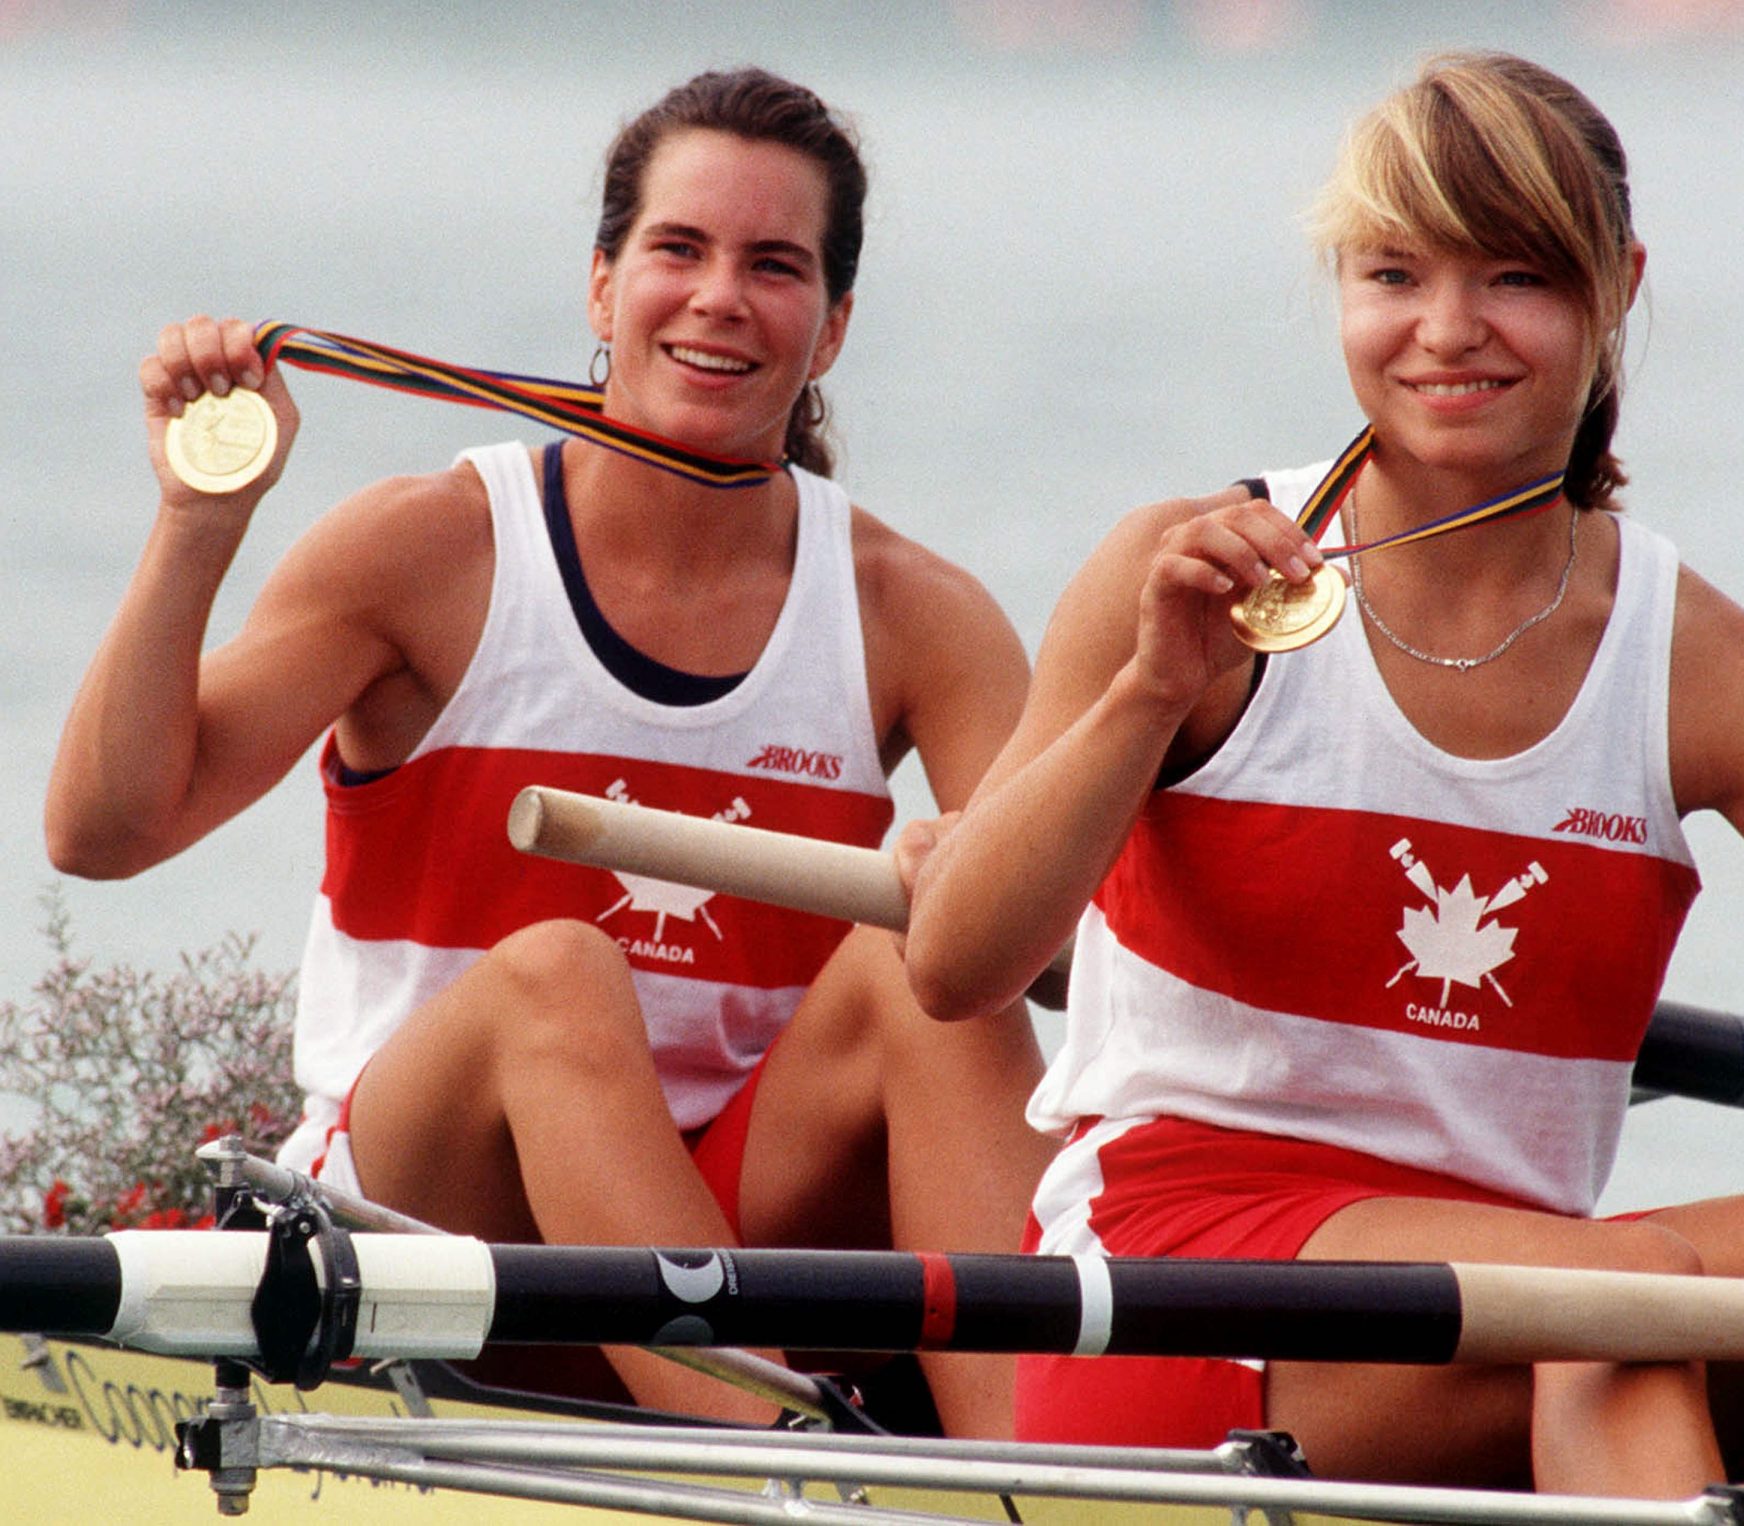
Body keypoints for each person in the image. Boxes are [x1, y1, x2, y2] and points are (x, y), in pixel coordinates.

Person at [45, 67, 1051, 1436]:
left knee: (944, 973)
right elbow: (102, 833)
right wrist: (198, 517)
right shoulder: (430, 549)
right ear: (601, 287)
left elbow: (1074, 969)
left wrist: (993, 885)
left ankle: (1046, 1464)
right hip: (444, 1243)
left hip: (744, 1241)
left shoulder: (913, 613)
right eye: (678, 251)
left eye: (774, 265)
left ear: (831, 328)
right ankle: (785, 1450)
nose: (718, 299)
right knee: (557, 974)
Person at [903, 51, 1744, 1493]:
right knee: (1624, 1297)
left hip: (1508, 1301)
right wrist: (1150, 689)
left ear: (1617, 283)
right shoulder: (1185, 574)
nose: (1447, 332)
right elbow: (954, 966)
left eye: (1512, 276)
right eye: (1394, 274)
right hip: (1168, 1302)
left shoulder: (1706, 665)